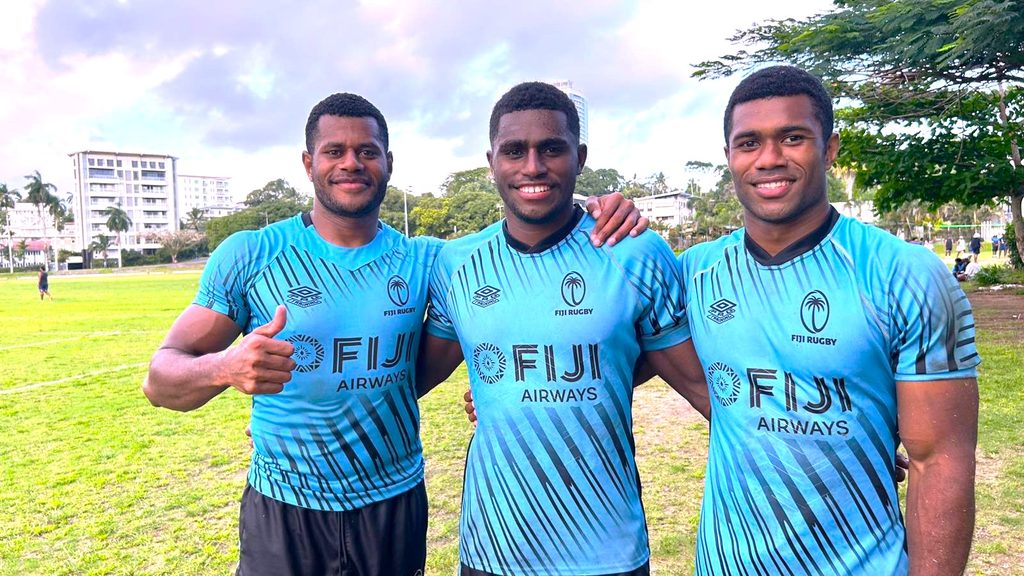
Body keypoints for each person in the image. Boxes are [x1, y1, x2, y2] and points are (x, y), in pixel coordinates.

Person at [142, 92, 646, 576]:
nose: (351, 163)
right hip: (285, 507)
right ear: (308, 163)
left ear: (388, 162)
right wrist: (225, 367)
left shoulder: (429, 262)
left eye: (367, 151)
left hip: (392, 504)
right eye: (334, 151)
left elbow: (530, 260)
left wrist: (600, 206)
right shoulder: (252, 254)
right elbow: (160, 381)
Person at [679, 65, 979, 575]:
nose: (769, 158)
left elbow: (940, 461)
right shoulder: (692, 273)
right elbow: (613, 352)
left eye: (792, 138)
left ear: (830, 148)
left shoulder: (902, 273)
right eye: (749, 143)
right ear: (729, 155)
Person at [417, 81, 708, 576]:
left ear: (580, 157)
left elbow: (700, 385)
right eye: (514, 151)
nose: (533, 166)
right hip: (494, 548)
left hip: (607, 550)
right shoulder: (456, 263)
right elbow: (408, 380)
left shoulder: (633, 252)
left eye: (551, 148)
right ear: (492, 162)